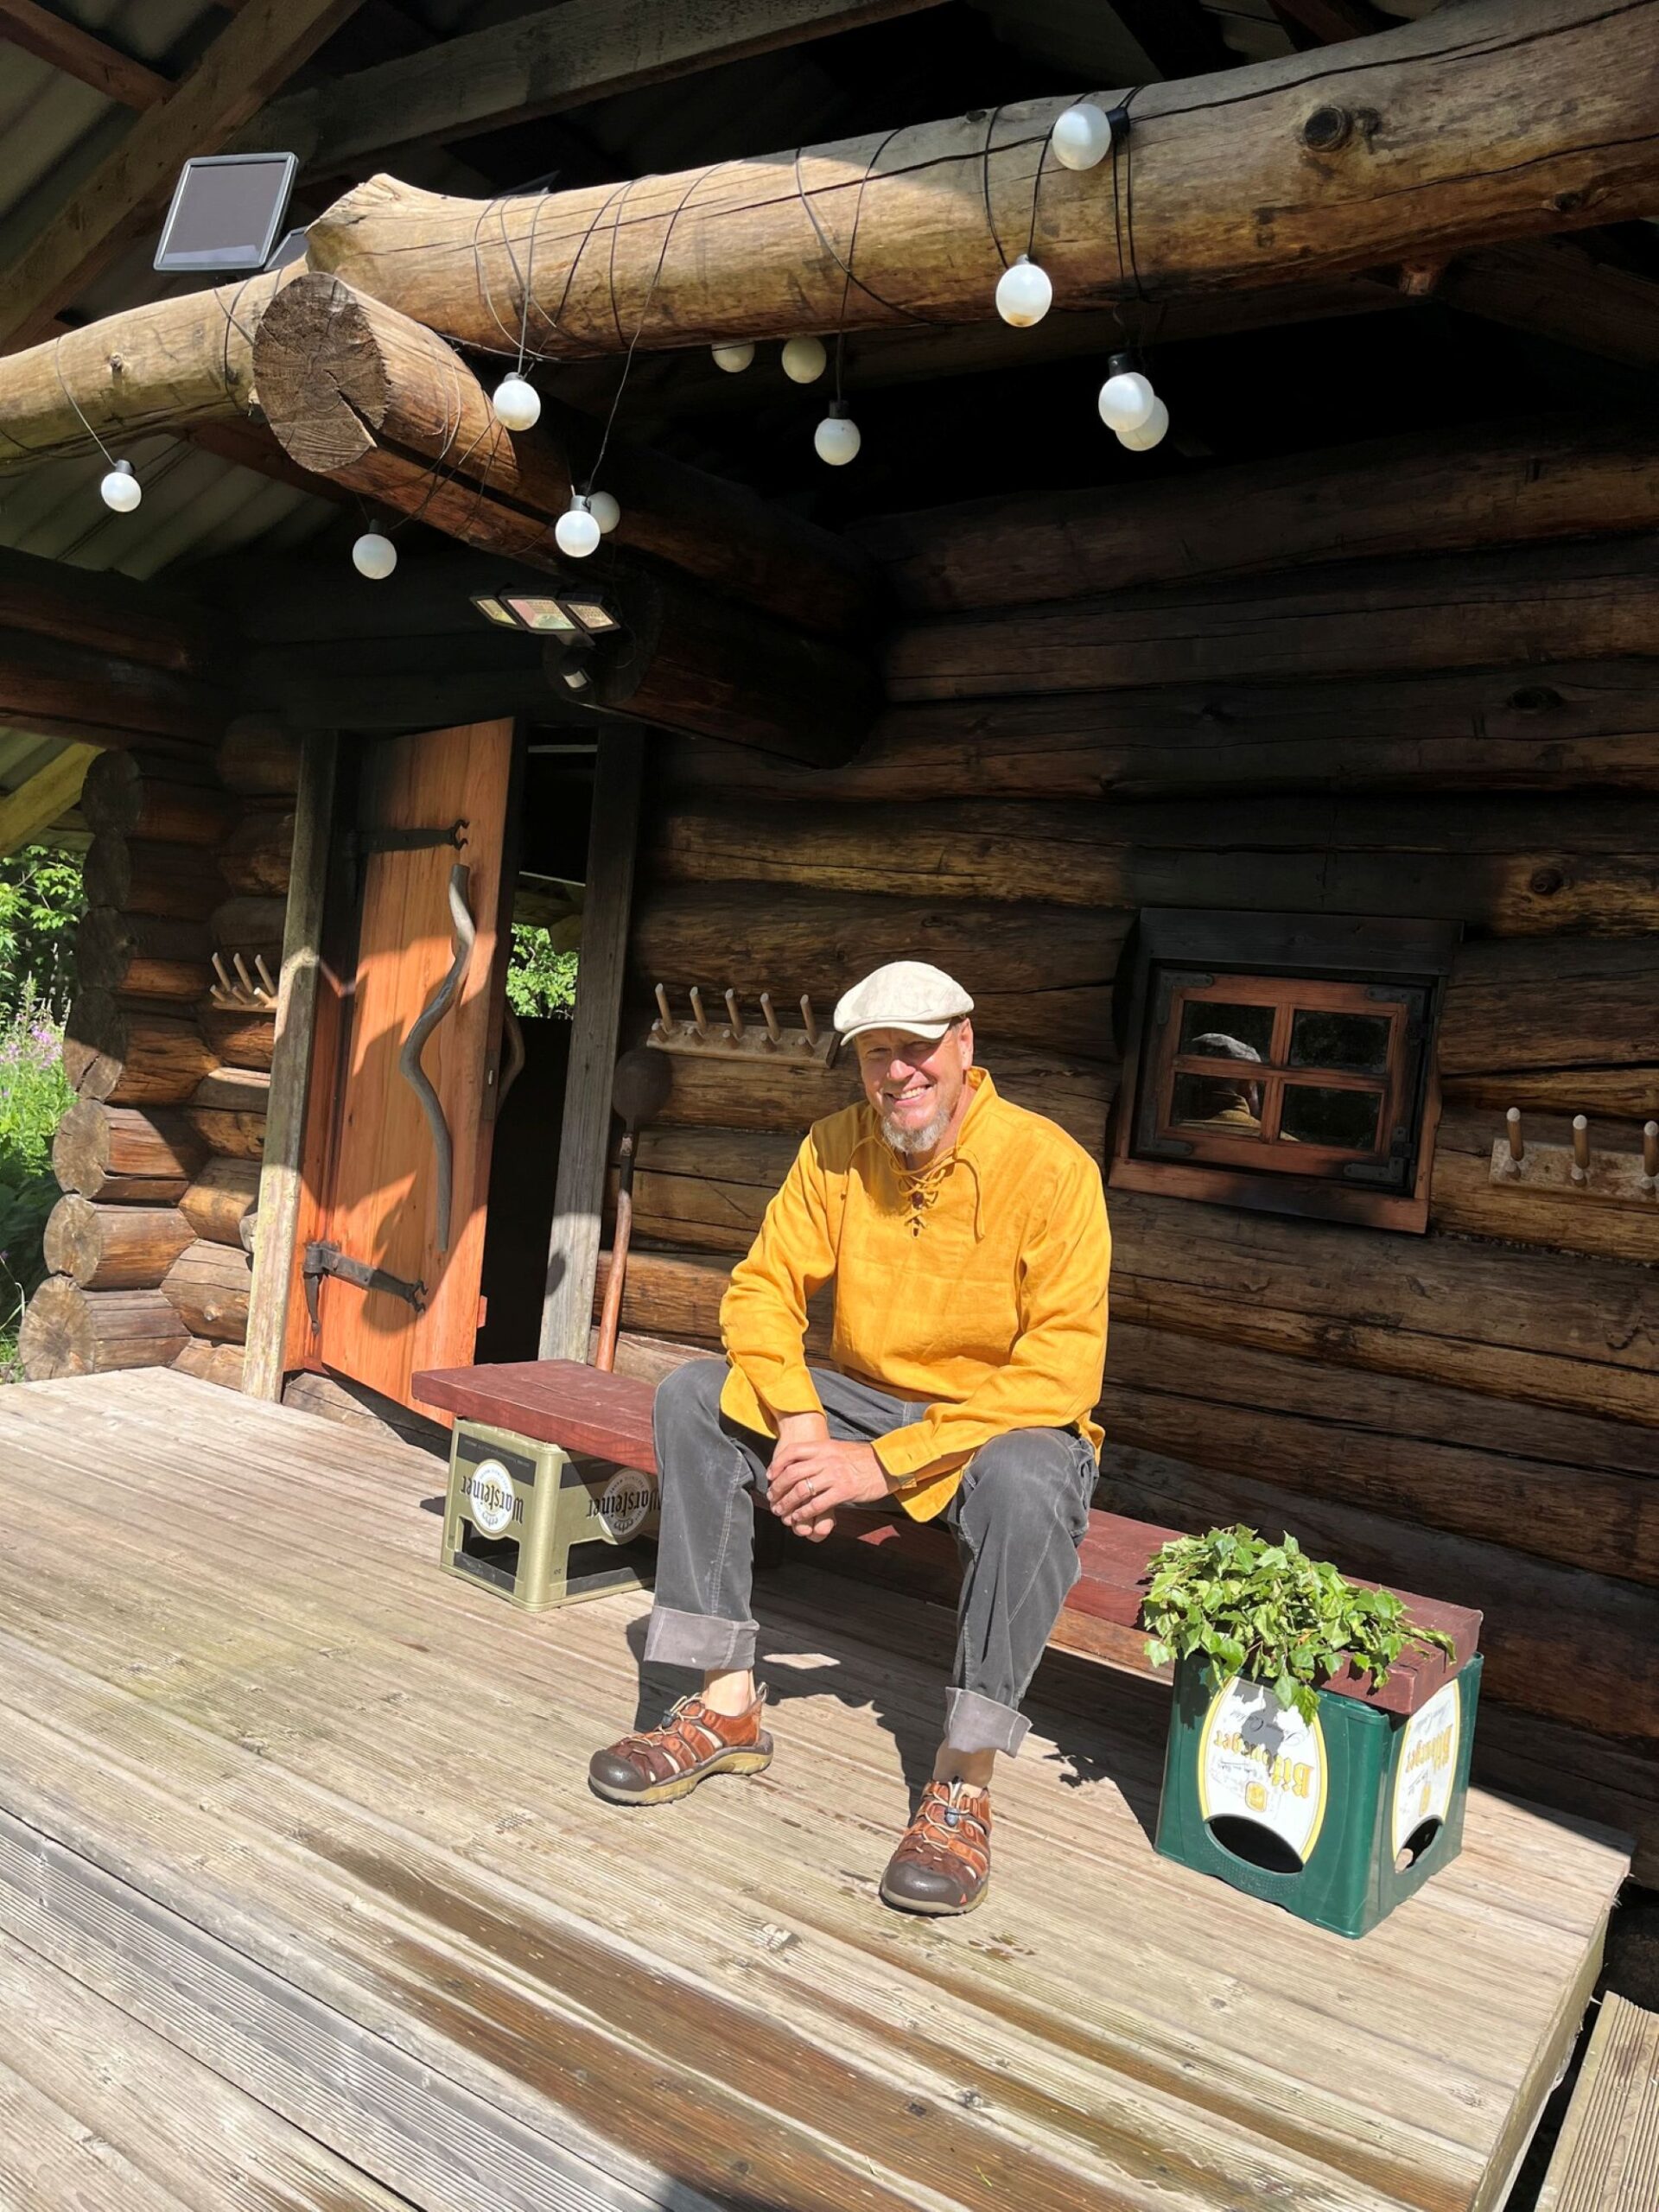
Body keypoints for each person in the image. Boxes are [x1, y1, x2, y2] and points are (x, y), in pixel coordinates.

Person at [588, 961, 1111, 1916]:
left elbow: (1061, 1376)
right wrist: (799, 1424)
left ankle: (963, 1780)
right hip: (860, 1403)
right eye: (876, 1056)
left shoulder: (1050, 1168)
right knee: (695, 1396)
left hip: (996, 1431)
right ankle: (725, 1701)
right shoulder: (835, 1148)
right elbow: (759, 1291)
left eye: (916, 1049)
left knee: (1034, 1472)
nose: (897, 1075)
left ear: (965, 1045)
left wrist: (873, 1462)